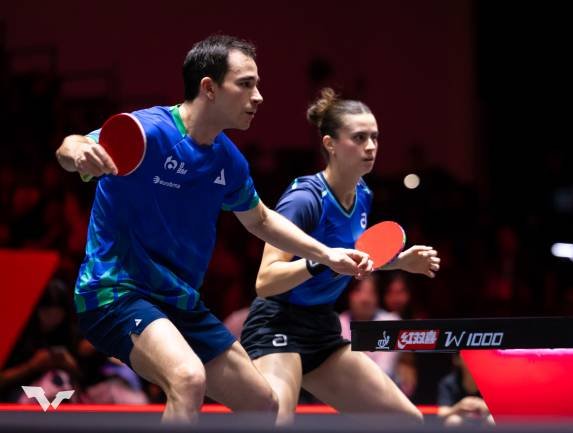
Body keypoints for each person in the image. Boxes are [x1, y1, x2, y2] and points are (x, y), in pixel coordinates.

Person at [54, 35, 371, 423]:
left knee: (263, 404)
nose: (258, 97)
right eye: (246, 84)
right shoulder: (149, 132)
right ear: (209, 88)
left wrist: (326, 254)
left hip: (179, 302)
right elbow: (70, 148)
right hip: (116, 292)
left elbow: (261, 219)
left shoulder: (228, 161)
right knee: (188, 379)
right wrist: (77, 151)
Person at [240, 88, 441, 424]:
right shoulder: (304, 199)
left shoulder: (363, 194)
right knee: (276, 423)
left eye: (374, 137)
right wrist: (320, 261)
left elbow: (352, 259)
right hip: (278, 324)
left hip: (322, 326)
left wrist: (399, 262)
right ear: (330, 144)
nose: (371, 146)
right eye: (359, 138)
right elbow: (266, 281)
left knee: (407, 421)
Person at [437, 354, 494, 426]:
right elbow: (442, 414)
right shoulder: (448, 383)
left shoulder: (491, 381)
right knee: (454, 420)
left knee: (492, 420)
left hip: (484, 419)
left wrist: (483, 405)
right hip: (461, 419)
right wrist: (460, 406)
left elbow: (503, 411)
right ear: (456, 360)